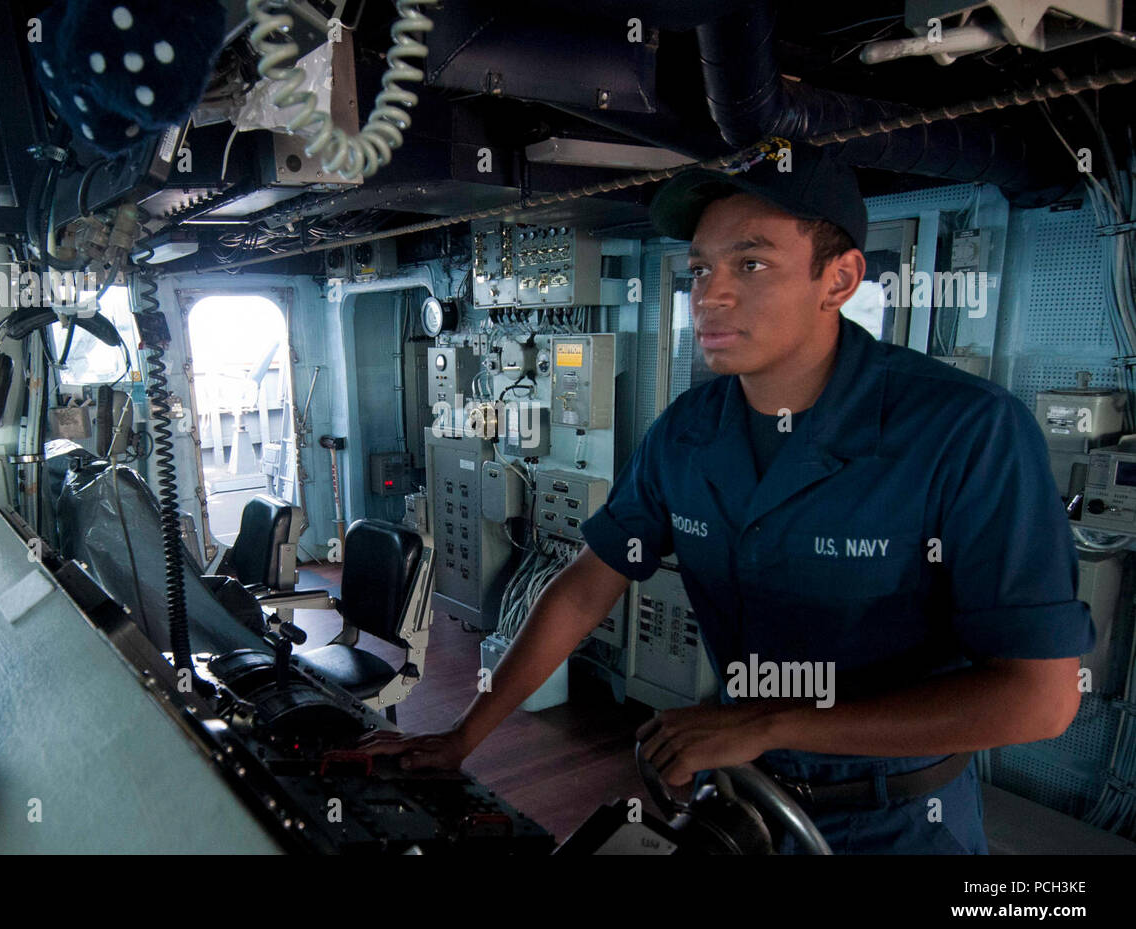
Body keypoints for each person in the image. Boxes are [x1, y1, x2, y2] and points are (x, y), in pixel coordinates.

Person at [357, 142, 1095, 854]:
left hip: (897, 821)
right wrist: (464, 735)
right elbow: (587, 585)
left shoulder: (966, 430)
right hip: (743, 804)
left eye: (751, 262)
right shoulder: (688, 431)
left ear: (838, 279)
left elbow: (1039, 698)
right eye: (700, 267)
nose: (710, 293)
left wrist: (768, 721)